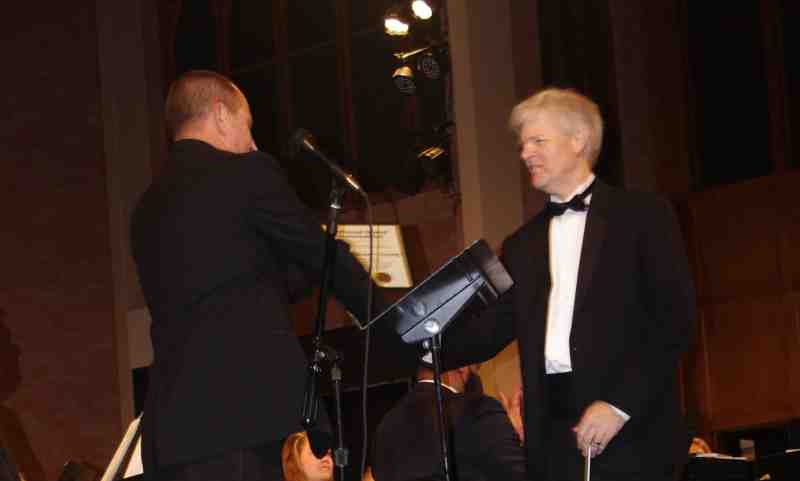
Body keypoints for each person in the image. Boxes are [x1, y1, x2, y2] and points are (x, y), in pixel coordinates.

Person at [130, 70, 410, 481]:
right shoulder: (246, 173)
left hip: (170, 434)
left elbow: (238, 288)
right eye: (248, 126)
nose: (253, 142)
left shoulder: (144, 211)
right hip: (243, 419)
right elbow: (324, 257)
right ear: (222, 116)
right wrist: (400, 330)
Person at [441, 87, 696, 481]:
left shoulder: (644, 217)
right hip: (551, 436)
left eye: (537, 140)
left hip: (631, 429)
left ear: (578, 140)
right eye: (523, 144)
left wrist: (618, 406)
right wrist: (422, 334)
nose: (525, 153)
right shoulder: (521, 245)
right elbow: (490, 331)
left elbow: (674, 321)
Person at [372, 362, 526, 481]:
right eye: (475, 368)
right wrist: (514, 435)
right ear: (462, 367)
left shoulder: (384, 427)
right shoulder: (478, 409)